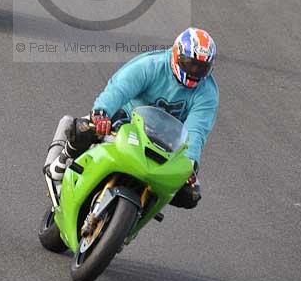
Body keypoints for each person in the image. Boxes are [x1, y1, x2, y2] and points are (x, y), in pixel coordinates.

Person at [44, 28, 219, 210]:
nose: (195, 71)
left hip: (167, 143)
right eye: (190, 63)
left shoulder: (208, 93)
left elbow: (197, 130)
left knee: (190, 195)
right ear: (176, 54)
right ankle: (58, 167)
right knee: (82, 129)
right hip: (126, 121)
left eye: (202, 68)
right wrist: (102, 113)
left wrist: (190, 162)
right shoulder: (152, 64)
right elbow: (119, 88)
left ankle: (141, 212)